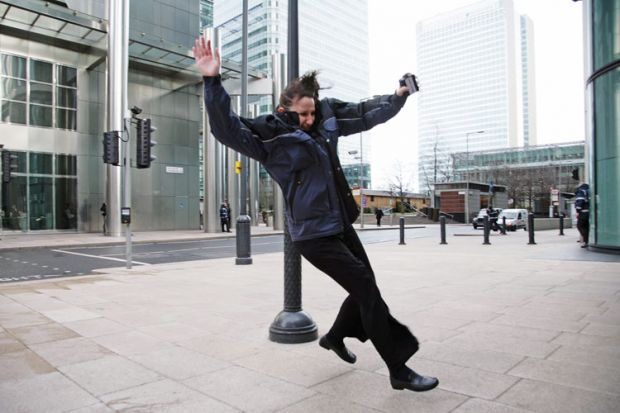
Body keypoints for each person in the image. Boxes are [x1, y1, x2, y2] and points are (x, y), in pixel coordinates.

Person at [193, 38, 438, 392]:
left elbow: (366, 112)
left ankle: (335, 337)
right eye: (302, 114)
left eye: (312, 113)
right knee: (367, 291)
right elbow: (226, 128)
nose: (309, 120)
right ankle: (399, 369)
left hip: (340, 224)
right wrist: (212, 81)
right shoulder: (270, 137)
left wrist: (398, 95)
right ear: (284, 109)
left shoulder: (326, 121)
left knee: (365, 287)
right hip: (313, 236)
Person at [575, 182, 590, 248]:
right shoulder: (588, 190)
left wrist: (577, 211)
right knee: (586, 226)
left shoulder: (581, 191)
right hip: (588, 211)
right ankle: (587, 241)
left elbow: (580, 201)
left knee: (579, 226)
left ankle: (586, 241)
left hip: (583, 212)